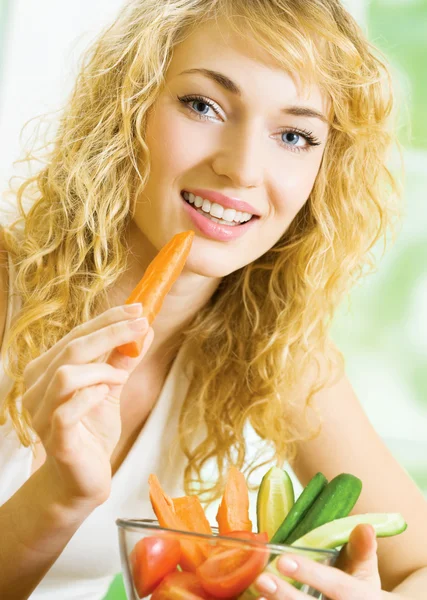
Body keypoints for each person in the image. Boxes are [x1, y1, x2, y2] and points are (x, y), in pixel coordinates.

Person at [1, 0, 426, 598]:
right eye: (203, 105)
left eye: (295, 135)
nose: (243, 168)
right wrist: (55, 499)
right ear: (127, 109)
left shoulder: (278, 349)